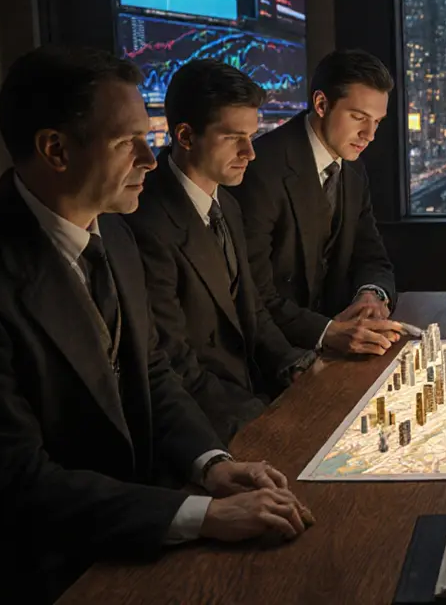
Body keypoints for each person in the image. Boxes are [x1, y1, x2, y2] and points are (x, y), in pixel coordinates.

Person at [0, 45, 313, 604]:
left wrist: (210, 464)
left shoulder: (113, 231)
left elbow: (151, 370)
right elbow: (18, 484)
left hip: (137, 522)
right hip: (50, 570)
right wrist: (199, 514)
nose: (150, 157)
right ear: (55, 149)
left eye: (148, 134)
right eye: (126, 142)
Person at [124, 60, 317, 444]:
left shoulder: (226, 203)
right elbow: (173, 361)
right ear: (185, 135)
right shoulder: (145, 222)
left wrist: (294, 365)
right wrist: (262, 417)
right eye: (233, 138)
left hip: (253, 395)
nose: (250, 151)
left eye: (252, 135)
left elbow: (252, 310)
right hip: (208, 424)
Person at [230, 49, 404, 356]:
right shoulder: (262, 168)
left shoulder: (353, 168)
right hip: (276, 354)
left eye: (377, 121)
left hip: (339, 347)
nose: (370, 134)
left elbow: (372, 256)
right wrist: (326, 333)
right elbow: (253, 292)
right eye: (358, 117)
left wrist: (371, 294)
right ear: (321, 104)